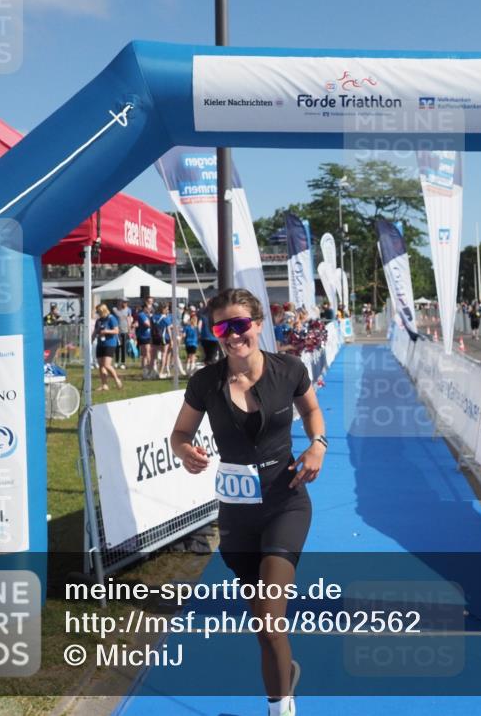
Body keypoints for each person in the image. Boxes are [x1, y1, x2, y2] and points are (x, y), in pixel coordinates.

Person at [172, 288, 326, 716]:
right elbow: (179, 435)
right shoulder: (206, 381)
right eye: (223, 327)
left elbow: (312, 412)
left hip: (286, 502)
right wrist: (186, 452)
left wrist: (319, 445)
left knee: (271, 620)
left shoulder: (289, 369)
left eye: (240, 324)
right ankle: (285, 676)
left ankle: (281, 709)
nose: (233, 335)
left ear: (258, 324)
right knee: (263, 626)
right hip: (238, 517)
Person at [92, 304, 123, 391]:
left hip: (110, 343)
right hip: (100, 343)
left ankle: (117, 379)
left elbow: (116, 330)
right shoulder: (99, 320)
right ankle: (104, 384)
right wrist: (91, 339)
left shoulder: (111, 318)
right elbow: (95, 331)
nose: (97, 313)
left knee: (107, 365)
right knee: (101, 365)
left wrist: (106, 331)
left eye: (98, 311)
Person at [135, 303, 154, 379]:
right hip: (144, 336)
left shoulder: (148, 315)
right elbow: (148, 324)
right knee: (146, 353)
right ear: (145, 308)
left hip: (148, 336)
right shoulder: (142, 315)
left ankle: (147, 370)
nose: (150, 309)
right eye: (148, 308)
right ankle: (147, 370)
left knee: (147, 354)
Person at [112, 299, 132, 370]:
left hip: (125, 331)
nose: (125, 304)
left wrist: (130, 330)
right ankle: (116, 362)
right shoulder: (115, 310)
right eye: (123, 302)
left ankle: (123, 362)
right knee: (117, 346)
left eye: (126, 302)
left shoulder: (128, 310)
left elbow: (129, 320)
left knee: (123, 347)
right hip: (117, 331)